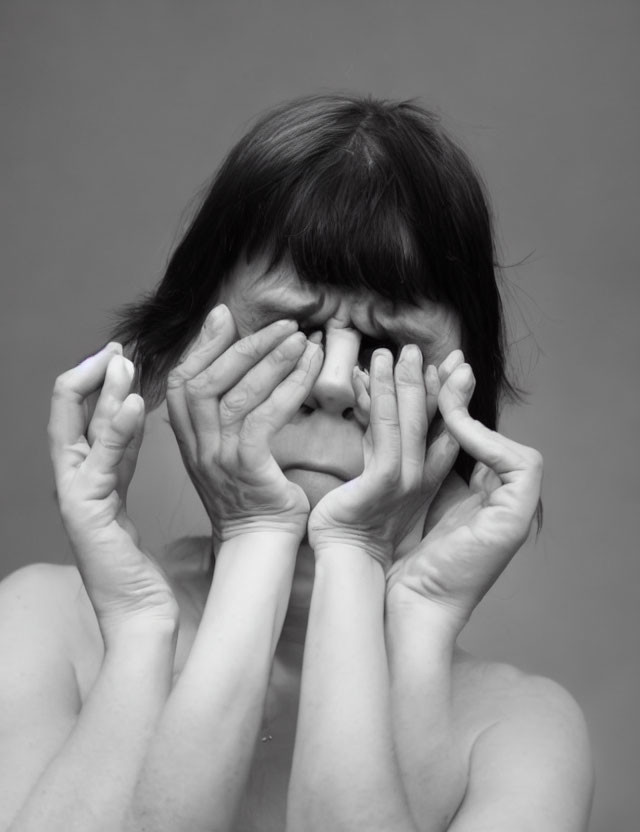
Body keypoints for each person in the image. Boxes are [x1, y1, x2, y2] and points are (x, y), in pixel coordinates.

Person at [0, 94, 593, 832]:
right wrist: (139, 630)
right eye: (292, 330)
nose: (338, 383)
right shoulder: (46, 627)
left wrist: (410, 615)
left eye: (388, 352)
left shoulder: (518, 731)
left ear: (462, 404)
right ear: (184, 348)